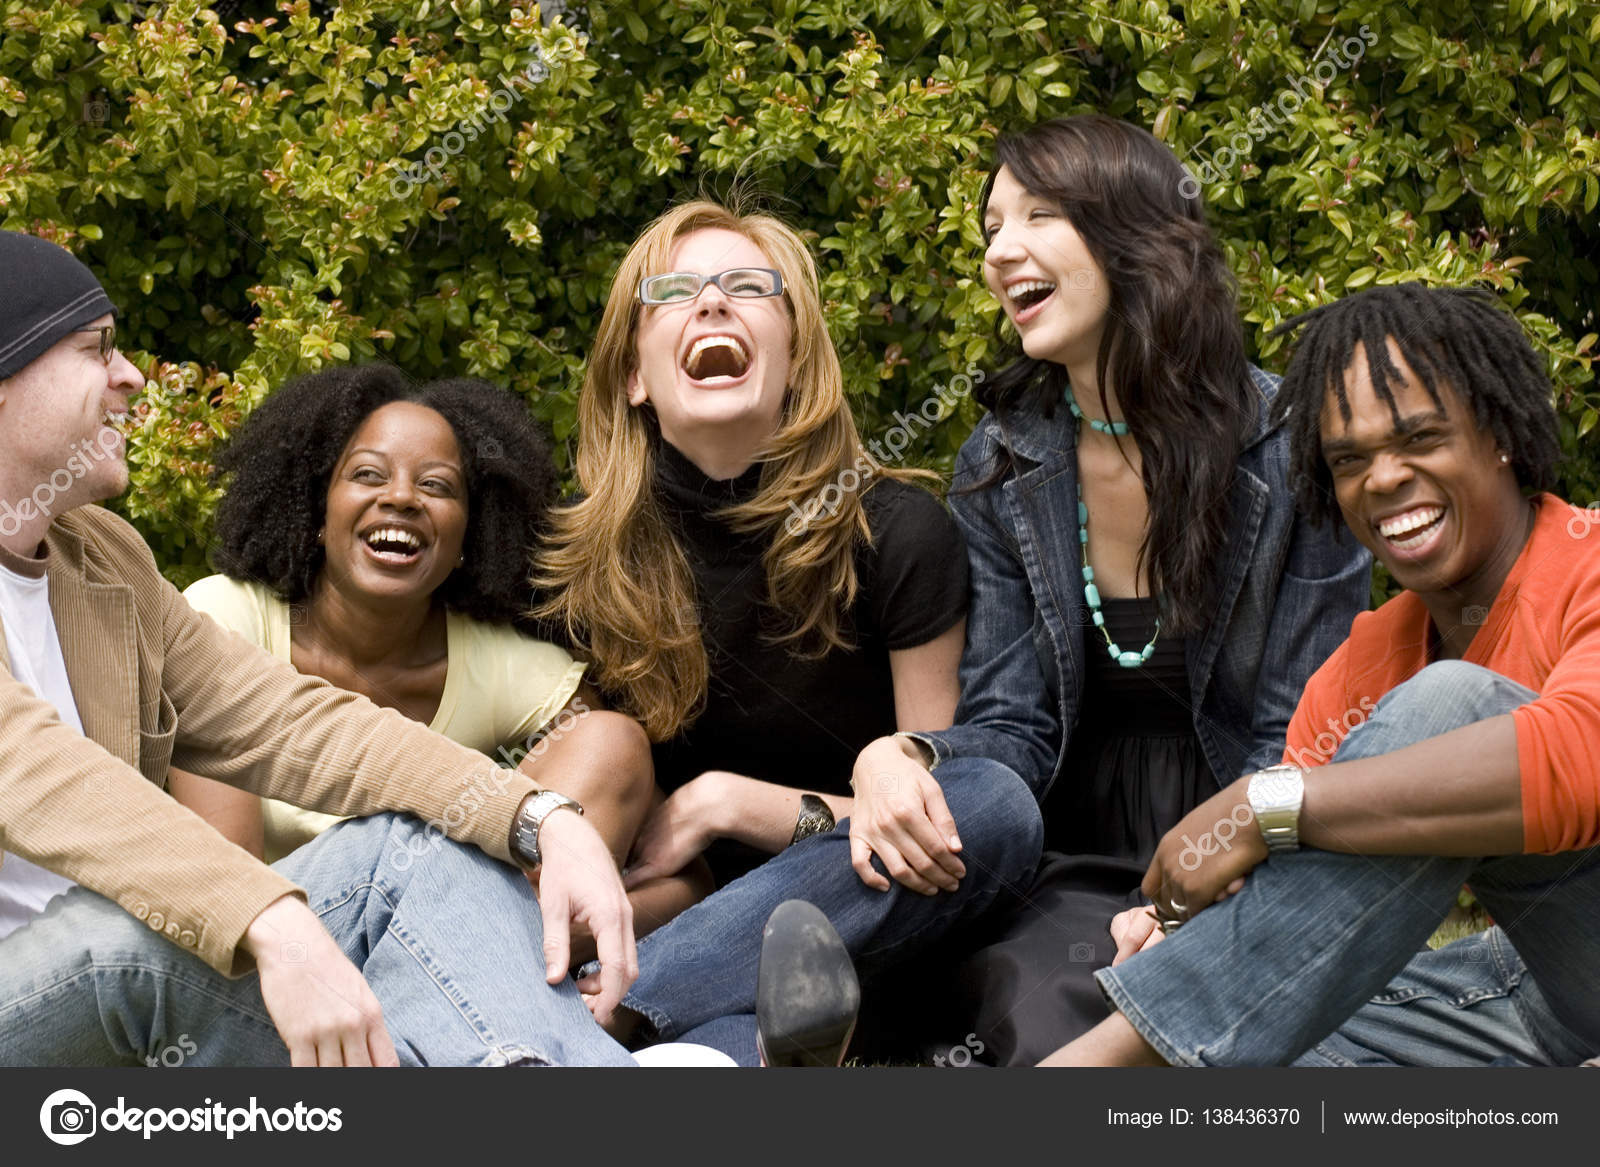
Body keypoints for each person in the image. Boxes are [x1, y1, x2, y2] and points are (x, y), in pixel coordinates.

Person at [0, 228, 639, 1067]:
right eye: (95, 350)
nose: (128, 377)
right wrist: (271, 915)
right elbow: (40, 775)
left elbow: (290, 722)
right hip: (48, 987)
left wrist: (535, 817)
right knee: (134, 939)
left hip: (115, 987)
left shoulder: (103, 559)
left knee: (420, 844)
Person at [850, 115, 1371, 1065]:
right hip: (1067, 859)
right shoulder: (1005, 460)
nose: (1000, 250)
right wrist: (906, 750)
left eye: (1038, 214)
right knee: (1019, 1005)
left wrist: (1194, 891)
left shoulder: (1290, 450)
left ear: (1135, 231)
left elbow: (1305, 732)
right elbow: (1015, 724)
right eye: (991, 227)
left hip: (1250, 842)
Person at [533, 199, 1044, 1064]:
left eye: (746, 286)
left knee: (996, 802)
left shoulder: (895, 533)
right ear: (634, 376)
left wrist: (724, 804)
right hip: (687, 938)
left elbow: (936, 819)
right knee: (735, 1045)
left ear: (797, 357)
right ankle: (644, 1015)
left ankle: (612, 1010)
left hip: (859, 919)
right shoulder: (576, 561)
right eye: (678, 291)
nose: (714, 303)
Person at [1043, 283, 1600, 1067]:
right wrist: (1185, 927)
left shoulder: (1590, 558)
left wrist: (1262, 800)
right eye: (1349, 460)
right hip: (1515, 992)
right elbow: (1295, 885)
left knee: (1455, 706)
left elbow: (1577, 762)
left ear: (1500, 433)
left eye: (1421, 439)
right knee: (1280, 1025)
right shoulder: (1369, 663)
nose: (1382, 478)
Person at [166, 368, 704, 962]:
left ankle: (503, 972)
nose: (400, 497)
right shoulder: (223, 618)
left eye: (438, 486)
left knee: (609, 739)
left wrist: (600, 926)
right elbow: (231, 895)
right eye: (368, 474)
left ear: (469, 536)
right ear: (317, 512)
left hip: (455, 958)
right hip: (276, 971)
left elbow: (685, 878)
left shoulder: (502, 667)